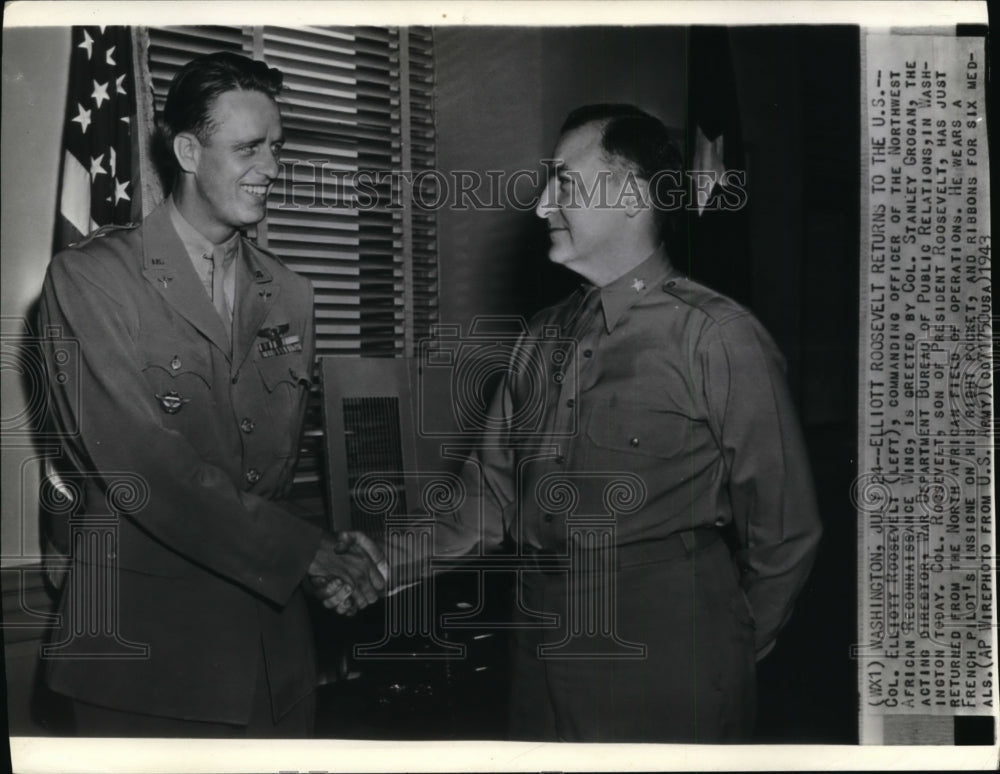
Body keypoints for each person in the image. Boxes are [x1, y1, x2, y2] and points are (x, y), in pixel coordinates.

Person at [367, 104, 822, 743]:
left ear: (633, 196)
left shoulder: (717, 337)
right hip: (536, 658)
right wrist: (378, 565)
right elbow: (484, 505)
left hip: (669, 661)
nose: (542, 205)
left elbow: (787, 530)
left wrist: (729, 648)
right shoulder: (538, 340)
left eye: (565, 183)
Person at [37, 52, 384, 738]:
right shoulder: (93, 280)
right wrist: (307, 553)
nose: (272, 168)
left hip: (275, 654)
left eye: (277, 148)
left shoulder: (291, 294)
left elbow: (273, 471)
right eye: (248, 148)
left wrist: (336, 559)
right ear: (189, 150)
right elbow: (144, 465)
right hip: (145, 658)